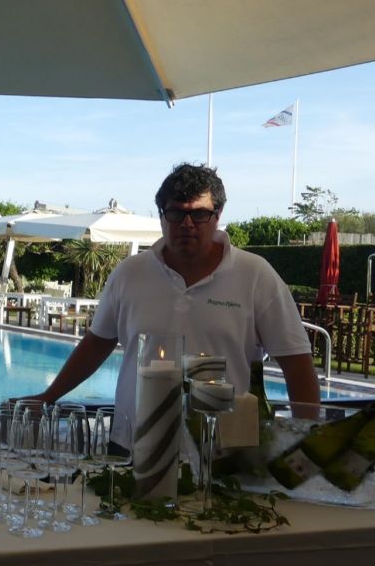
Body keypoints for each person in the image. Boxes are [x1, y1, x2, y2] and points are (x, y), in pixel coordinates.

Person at [23, 163, 320, 438]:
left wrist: (306, 436)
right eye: (176, 213)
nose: (187, 224)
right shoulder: (130, 274)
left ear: (217, 215)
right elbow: (97, 343)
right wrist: (48, 396)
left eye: (199, 214)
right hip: (135, 444)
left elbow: (296, 362)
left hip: (226, 450)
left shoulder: (255, 275)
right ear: (162, 215)